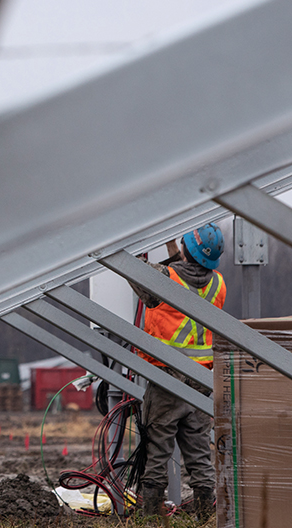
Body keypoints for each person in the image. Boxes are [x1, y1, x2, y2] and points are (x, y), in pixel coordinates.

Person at [129, 223, 225, 520]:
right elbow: (186, 274)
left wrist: (134, 257)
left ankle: (152, 519)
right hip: (200, 382)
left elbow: (144, 283)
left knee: (157, 453)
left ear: (186, 249)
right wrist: (174, 247)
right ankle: (205, 518)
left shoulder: (166, 278)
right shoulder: (218, 283)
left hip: (167, 381)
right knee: (199, 456)